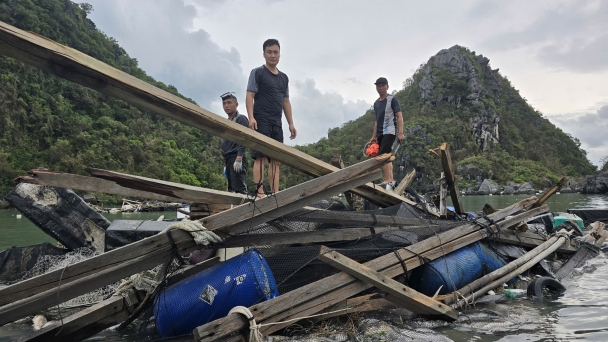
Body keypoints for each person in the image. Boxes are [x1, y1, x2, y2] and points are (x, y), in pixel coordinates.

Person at [246, 38, 297, 197]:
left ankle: (275, 192)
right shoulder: (258, 72)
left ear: (280, 54)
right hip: (261, 120)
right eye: (269, 52)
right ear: (264, 54)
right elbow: (249, 95)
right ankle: (259, 192)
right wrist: (251, 117)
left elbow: (286, 101)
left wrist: (291, 123)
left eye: (275, 52)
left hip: (277, 122)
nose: (273, 55)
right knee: (260, 157)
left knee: (276, 160)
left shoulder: (284, 78)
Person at [369, 77, 405, 191]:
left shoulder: (392, 99)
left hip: (389, 131)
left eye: (382, 86)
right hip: (380, 134)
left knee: (383, 155)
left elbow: (399, 116)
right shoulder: (376, 103)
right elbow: (377, 121)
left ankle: (388, 179)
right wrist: (374, 136)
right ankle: (390, 179)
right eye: (378, 86)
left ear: (387, 87)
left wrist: (400, 133)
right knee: (385, 155)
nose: (380, 88)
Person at [220, 92, 249, 194]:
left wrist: (239, 157)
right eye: (224, 103)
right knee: (231, 189)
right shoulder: (228, 121)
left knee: (240, 189)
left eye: (229, 103)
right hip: (228, 159)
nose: (226, 106)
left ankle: (245, 209)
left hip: (236, 157)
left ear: (236, 104)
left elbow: (244, 138)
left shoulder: (241, 119)